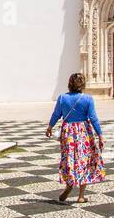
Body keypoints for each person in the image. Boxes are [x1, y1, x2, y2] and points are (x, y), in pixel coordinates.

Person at [45, 73, 105, 203]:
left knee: (69, 159)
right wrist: (100, 135)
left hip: (68, 133)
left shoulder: (62, 98)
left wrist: (50, 127)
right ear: (83, 84)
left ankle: (69, 184)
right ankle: (81, 196)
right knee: (85, 160)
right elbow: (93, 118)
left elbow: (56, 114)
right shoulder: (88, 99)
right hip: (84, 132)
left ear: (69, 83)